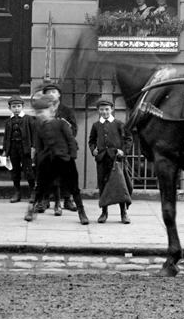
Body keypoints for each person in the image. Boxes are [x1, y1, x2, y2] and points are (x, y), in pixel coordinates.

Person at [25, 94, 89, 225]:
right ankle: (32, 210)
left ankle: (82, 213)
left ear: (51, 110)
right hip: (48, 161)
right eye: (38, 112)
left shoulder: (61, 124)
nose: (40, 115)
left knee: (74, 188)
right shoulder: (39, 127)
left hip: (65, 160)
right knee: (40, 187)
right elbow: (39, 146)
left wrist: (71, 157)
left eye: (43, 111)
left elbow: (71, 141)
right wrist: (41, 159)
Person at [88, 95, 133, 224]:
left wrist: (123, 151)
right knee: (103, 186)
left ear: (112, 109)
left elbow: (128, 138)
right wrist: (93, 150)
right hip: (102, 159)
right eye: (101, 110)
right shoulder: (96, 125)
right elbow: (91, 141)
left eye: (107, 109)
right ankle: (104, 213)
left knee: (120, 185)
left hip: (116, 160)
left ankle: (123, 213)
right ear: (98, 111)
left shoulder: (119, 124)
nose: (104, 112)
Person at [38, 80, 78, 213]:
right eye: (48, 93)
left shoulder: (66, 110)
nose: (51, 95)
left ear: (59, 95)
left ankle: (67, 200)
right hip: (47, 148)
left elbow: (74, 130)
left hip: (63, 149)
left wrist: (66, 126)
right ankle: (45, 200)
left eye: (54, 92)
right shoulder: (43, 110)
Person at [2, 95, 35, 203]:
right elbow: (6, 137)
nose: (16, 109)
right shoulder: (8, 121)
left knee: (28, 170)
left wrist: (33, 147)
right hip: (13, 149)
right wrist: (5, 150)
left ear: (22, 107)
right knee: (15, 171)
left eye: (18, 106)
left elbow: (34, 135)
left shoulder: (28, 119)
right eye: (14, 106)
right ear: (9, 108)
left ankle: (33, 192)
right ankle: (17, 192)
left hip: (25, 149)